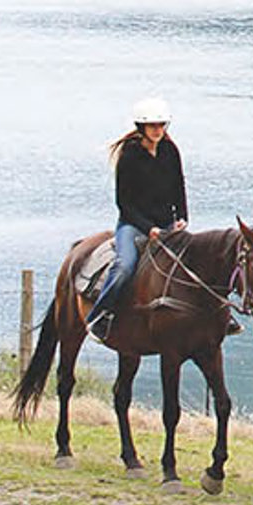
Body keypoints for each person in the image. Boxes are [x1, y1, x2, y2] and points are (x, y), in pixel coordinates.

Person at [88, 97, 188, 339]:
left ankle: (219, 317)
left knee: (194, 260)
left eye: (161, 125)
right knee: (125, 267)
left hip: (167, 224)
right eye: (153, 125)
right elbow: (124, 203)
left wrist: (183, 217)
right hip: (133, 225)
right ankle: (99, 316)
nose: (158, 130)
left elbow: (178, 186)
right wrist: (149, 228)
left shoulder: (170, 151)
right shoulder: (129, 156)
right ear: (141, 127)